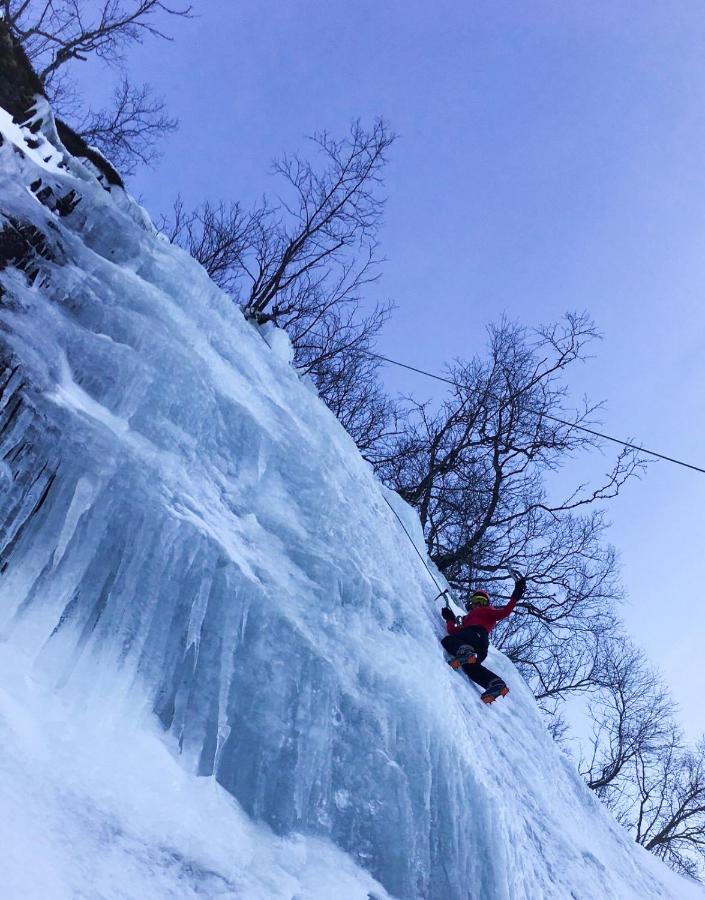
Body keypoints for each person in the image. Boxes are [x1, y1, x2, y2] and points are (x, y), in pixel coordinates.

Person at [440, 573, 526, 704]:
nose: (479, 604)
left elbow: (504, 612)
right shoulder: (467, 618)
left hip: (474, 635)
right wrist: (450, 619)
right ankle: (495, 683)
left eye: (482, 601)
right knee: (471, 668)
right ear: (472, 603)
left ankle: (466, 652)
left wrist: (515, 596)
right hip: (481, 647)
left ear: (487, 603)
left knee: (447, 641)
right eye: (476, 601)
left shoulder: (487, 611)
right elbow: (453, 630)